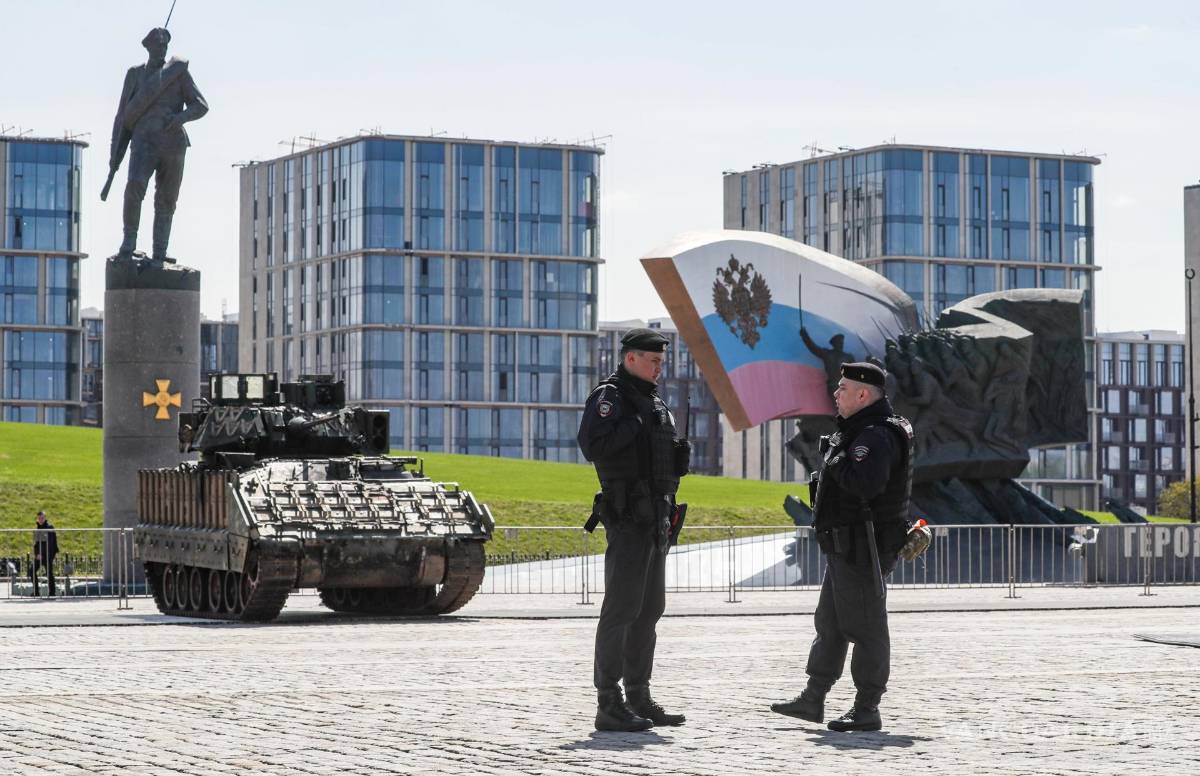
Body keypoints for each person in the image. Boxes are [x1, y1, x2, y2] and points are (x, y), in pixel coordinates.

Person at [771, 362, 914, 732]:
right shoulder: (858, 432)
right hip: (844, 546)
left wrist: (834, 459)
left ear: (863, 395)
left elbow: (863, 485)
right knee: (831, 624)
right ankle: (812, 697)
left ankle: (867, 707)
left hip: (863, 547)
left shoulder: (874, 436)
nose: (836, 395)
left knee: (866, 628)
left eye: (843, 388)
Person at [577, 328, 690, 732]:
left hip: (657, 517)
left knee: (648, 611)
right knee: (621, 611)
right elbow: (592, 446)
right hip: (628, 518)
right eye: (654, 360)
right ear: (631, 359)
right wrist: (636, 423)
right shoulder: (611, 397)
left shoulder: (652, 402)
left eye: (662, 360)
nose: (661, 367)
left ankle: (639, 697)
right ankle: (609, 703)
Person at [105, 27, 209, 260]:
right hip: (143, 142)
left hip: (173, 144)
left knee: (167, 199)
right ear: (148, 47)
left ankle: (160, 251)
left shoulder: (178, 72)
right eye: (158, 45)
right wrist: (114, 154)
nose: (162, 49)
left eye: (165, 45)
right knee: (134, 186)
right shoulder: (135, 74)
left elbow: (201, 105)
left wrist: (180, 118)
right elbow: (122, 116)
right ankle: (129, 241)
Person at [32, 511, 59, 597]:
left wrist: (42, 554)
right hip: (39, 556)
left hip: (48, 555)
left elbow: (50, 544)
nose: (40, 520)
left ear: (45, 518)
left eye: (42, 518)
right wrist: (37, 554)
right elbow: (36, 544)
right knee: (31, 571)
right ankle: (36, 592)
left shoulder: (49, 528)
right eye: (39, 518)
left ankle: (52, 593)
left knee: (49, 574)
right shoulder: (37, 529)